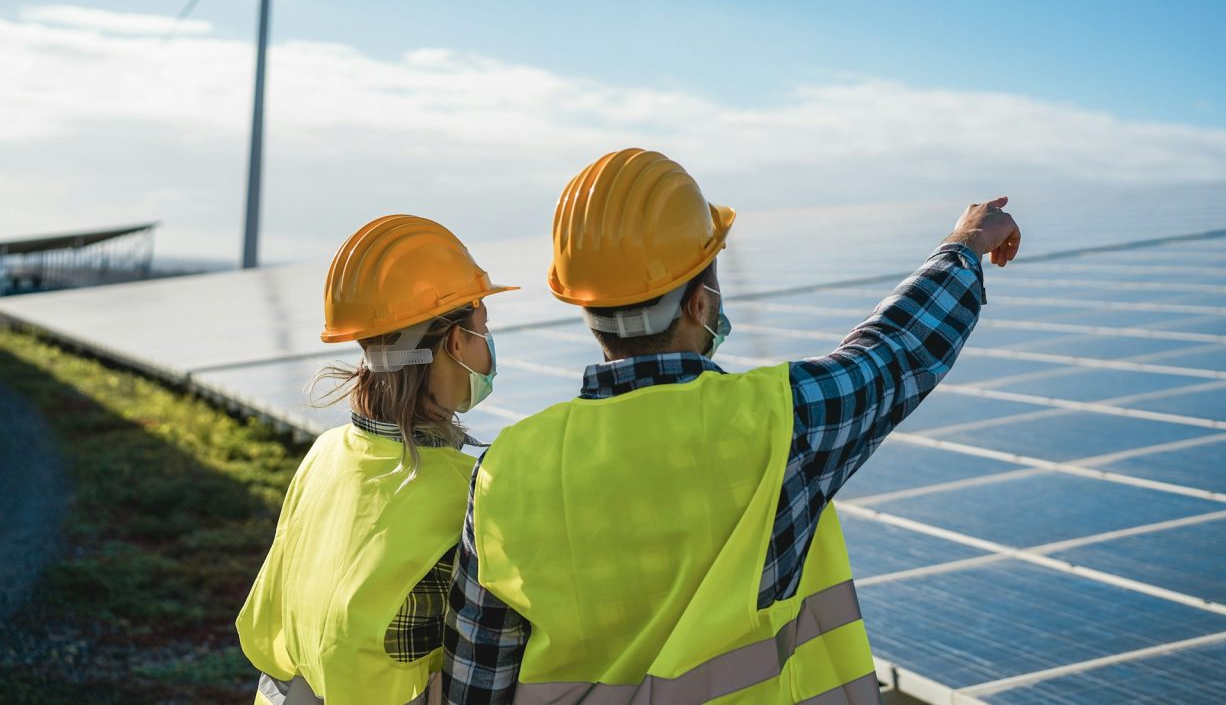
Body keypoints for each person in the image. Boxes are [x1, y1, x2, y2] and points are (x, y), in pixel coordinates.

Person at [443, 149, 1020, 703]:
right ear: (699, 303)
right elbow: (895, 350)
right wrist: (965, 244)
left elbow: (478, 674)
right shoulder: (781, 419)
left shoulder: (504, 469)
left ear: (588, 310)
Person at [238, 214, 517, 705]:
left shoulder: (325, 453)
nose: (488, 342)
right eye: (483, 327)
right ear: (456, 341)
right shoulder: (472, 490)